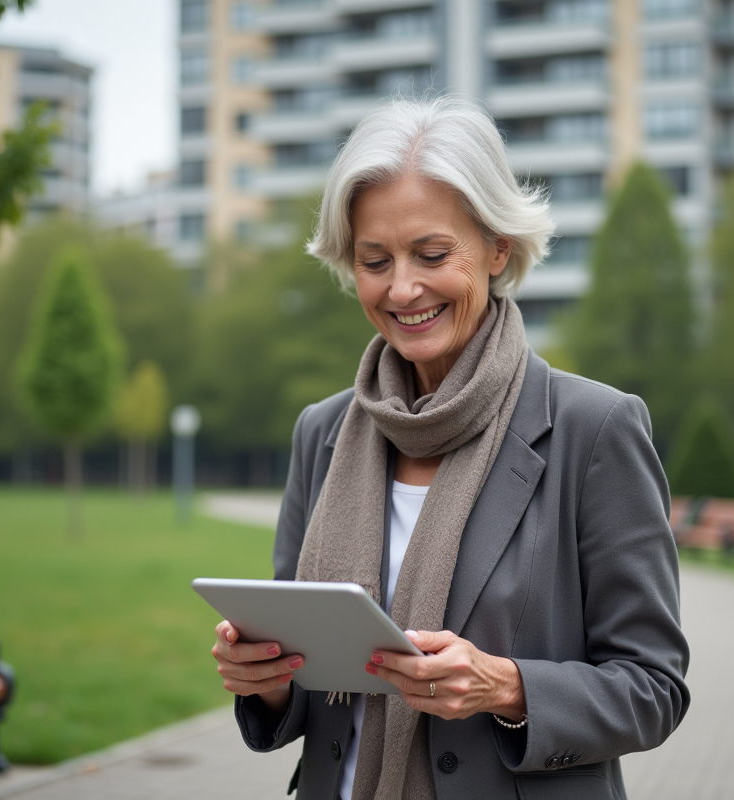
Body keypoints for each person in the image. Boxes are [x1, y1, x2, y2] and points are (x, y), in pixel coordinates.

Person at [209, 97, 690, 800]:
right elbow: (310, 683)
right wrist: (267, 682)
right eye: (375, 261)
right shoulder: (322, 433)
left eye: (432, 255)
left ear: (498, 247)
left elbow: (653, 688)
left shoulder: (597, 429)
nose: (403, 288)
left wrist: (507, 686)